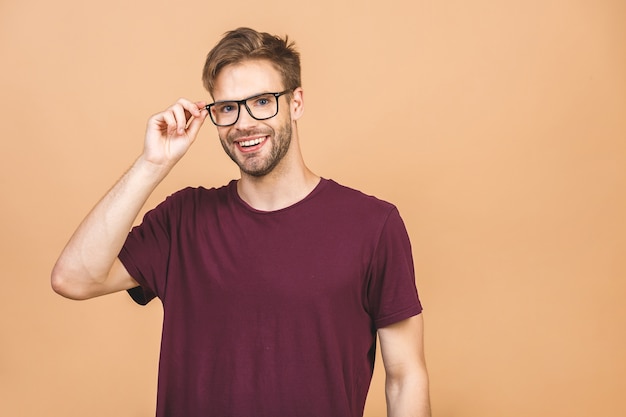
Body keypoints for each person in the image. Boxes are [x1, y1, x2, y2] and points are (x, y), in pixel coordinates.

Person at [51, 27, 431, 417]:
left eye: (263, 101)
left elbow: (405, 377)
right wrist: (152, 164)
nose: (244, 123)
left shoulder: (372, 225)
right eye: (228, 107)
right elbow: (75, 278)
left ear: (295, 103)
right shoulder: (183, 219)